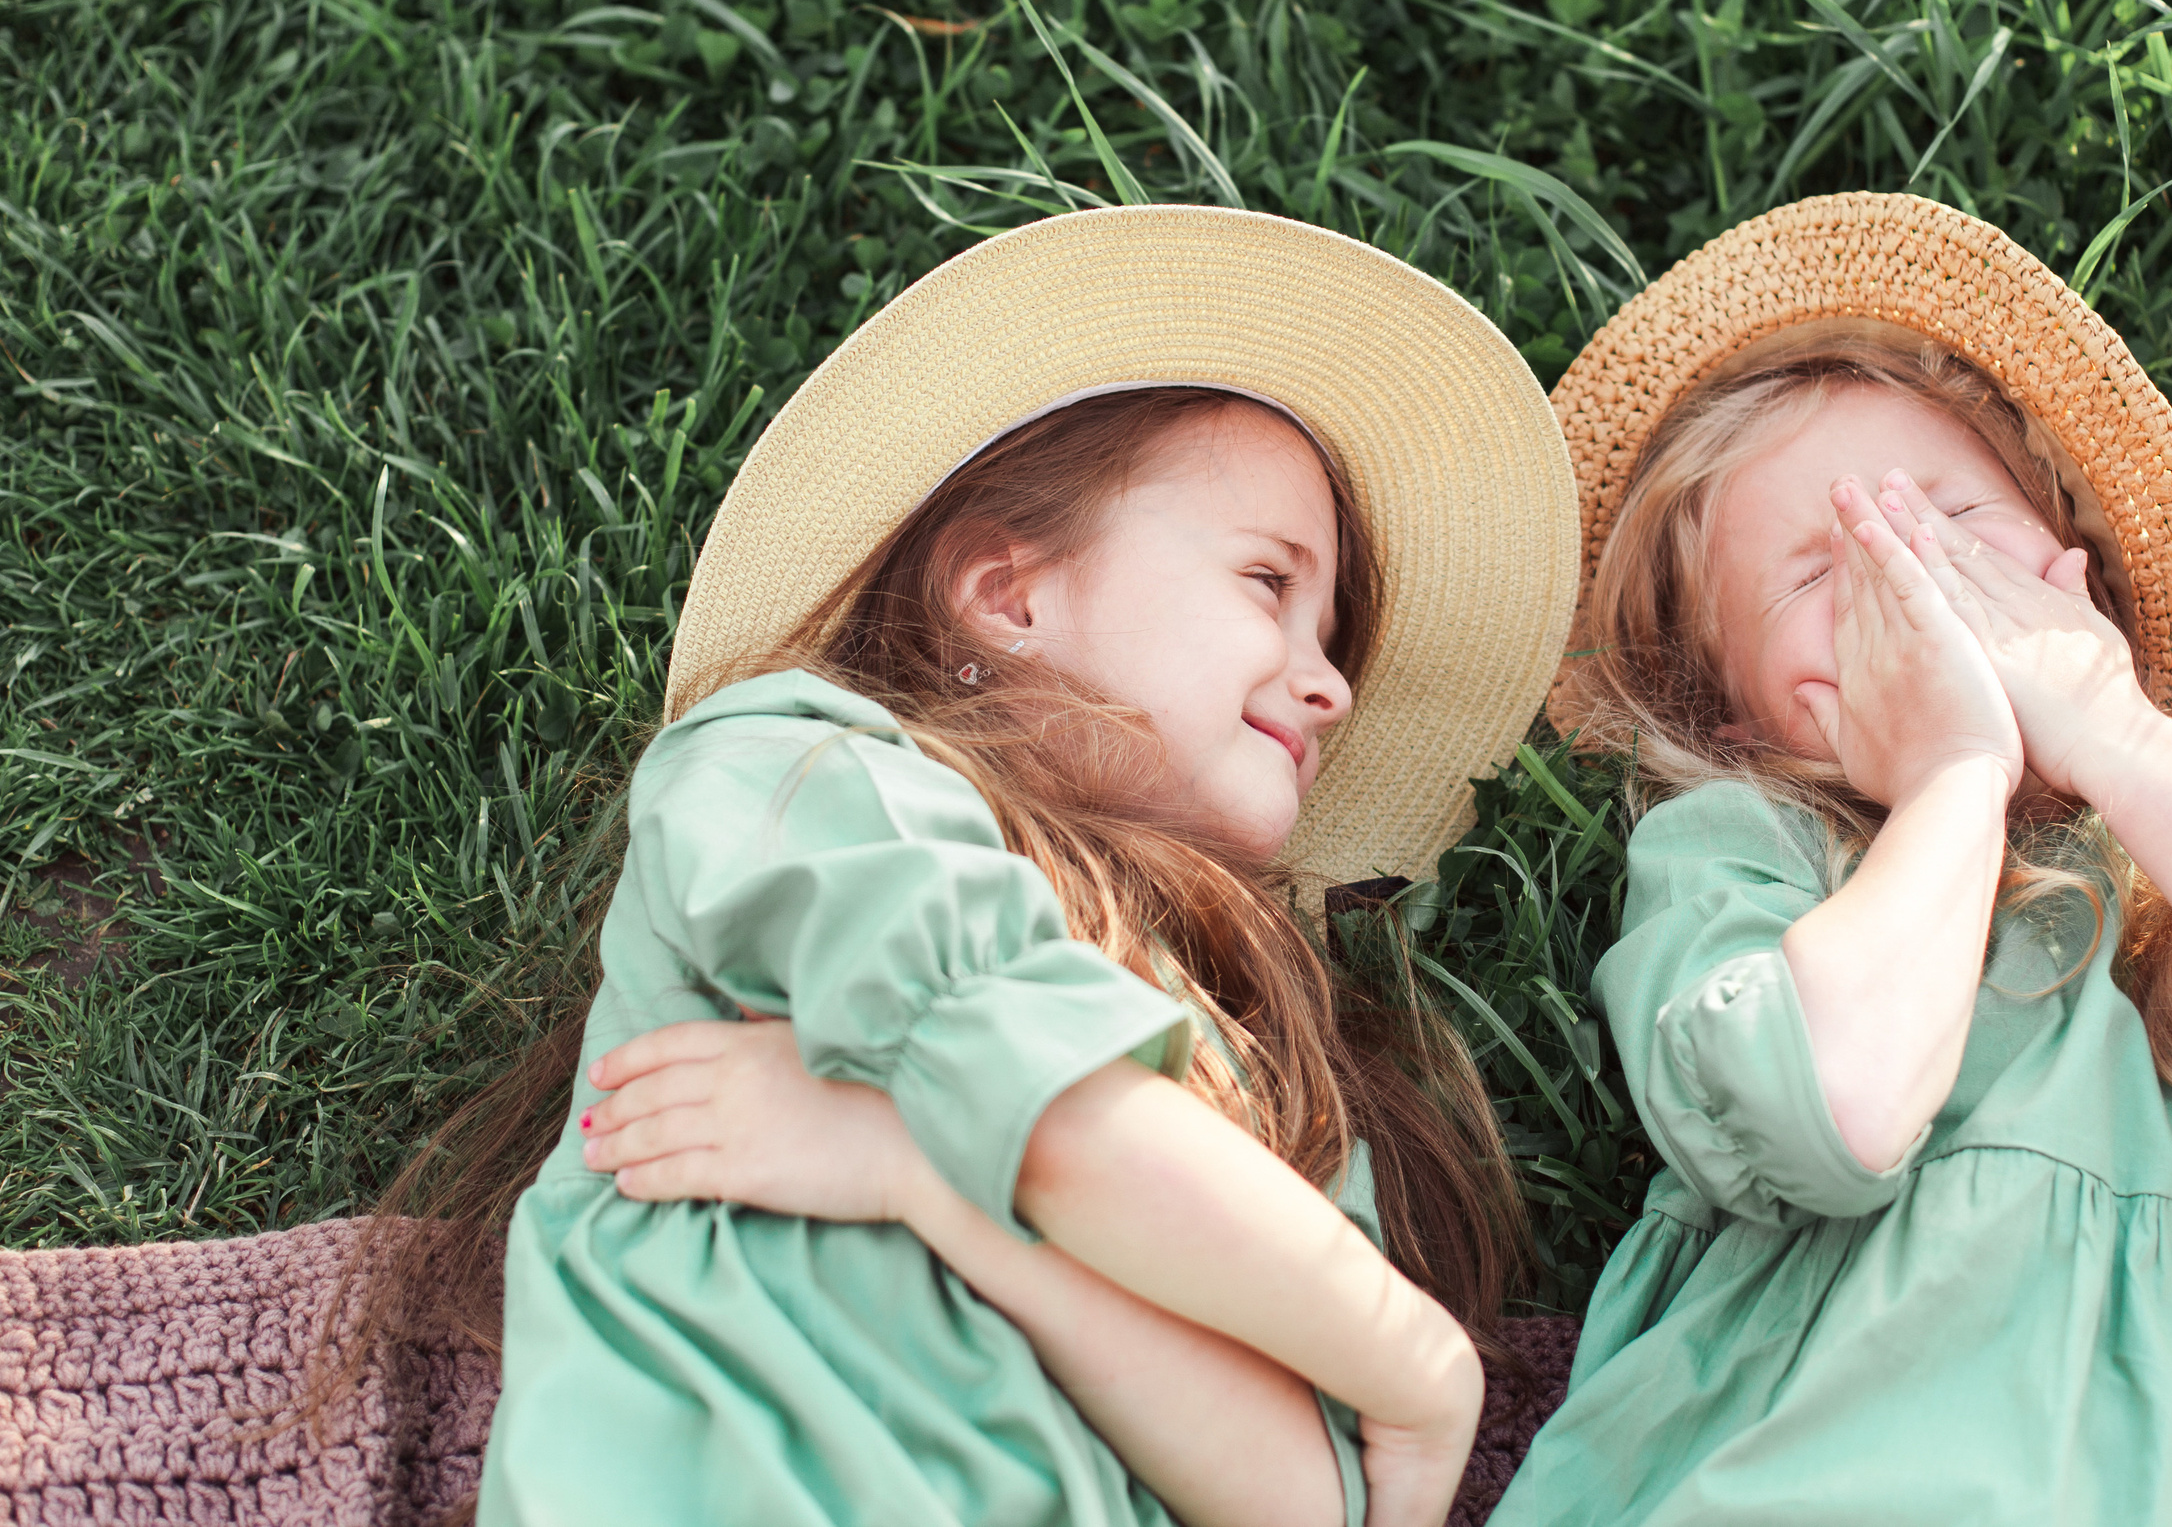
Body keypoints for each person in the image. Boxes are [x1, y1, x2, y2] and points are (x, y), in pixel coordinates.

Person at [336, 205, 1584, 1527]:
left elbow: (1296, 1499)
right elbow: (1030, 1095)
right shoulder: (802, 775)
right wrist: (1409, 1359)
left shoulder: (1242, 1052)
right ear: (1007, 597)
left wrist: (925, 1180)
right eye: (1270, 584)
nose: (1330, 684)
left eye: (1331, 639)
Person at [1492, 194, 2172, 1526]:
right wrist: (1952, 774)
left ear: (2075, 578)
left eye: (1952, 517)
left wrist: (2115, 730)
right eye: (1816, 575)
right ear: (1737, 720)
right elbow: (1835, 1109)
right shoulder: (1752, 849)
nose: (1909, 578)